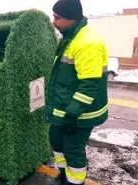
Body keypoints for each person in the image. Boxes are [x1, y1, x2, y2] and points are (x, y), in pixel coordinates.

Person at [47, 0, 109, 184]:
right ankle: (63, 175)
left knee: (73, 150)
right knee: (56, 141)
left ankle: (74, 182)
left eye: (57, 18)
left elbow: (89, 84)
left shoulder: (88, 42)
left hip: (79, 114)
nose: (53, 21)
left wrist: (73, 113)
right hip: (64, 109)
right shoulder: (71, 36)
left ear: (72, 19)